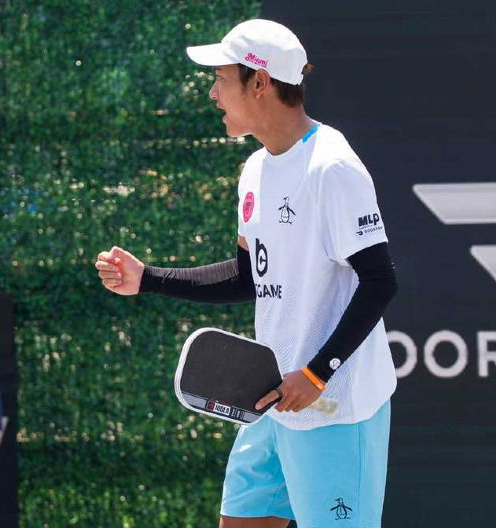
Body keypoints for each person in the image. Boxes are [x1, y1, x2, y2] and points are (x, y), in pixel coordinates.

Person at [95, 19, 397, 528]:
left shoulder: (332, 168)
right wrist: (148, 278)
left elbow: (380, 280)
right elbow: (247, 278)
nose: (214, 94)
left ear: (259, 82)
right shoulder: (254, 169)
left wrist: (318, 373)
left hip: (336, 412)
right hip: (272, 405)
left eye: (221, 80)